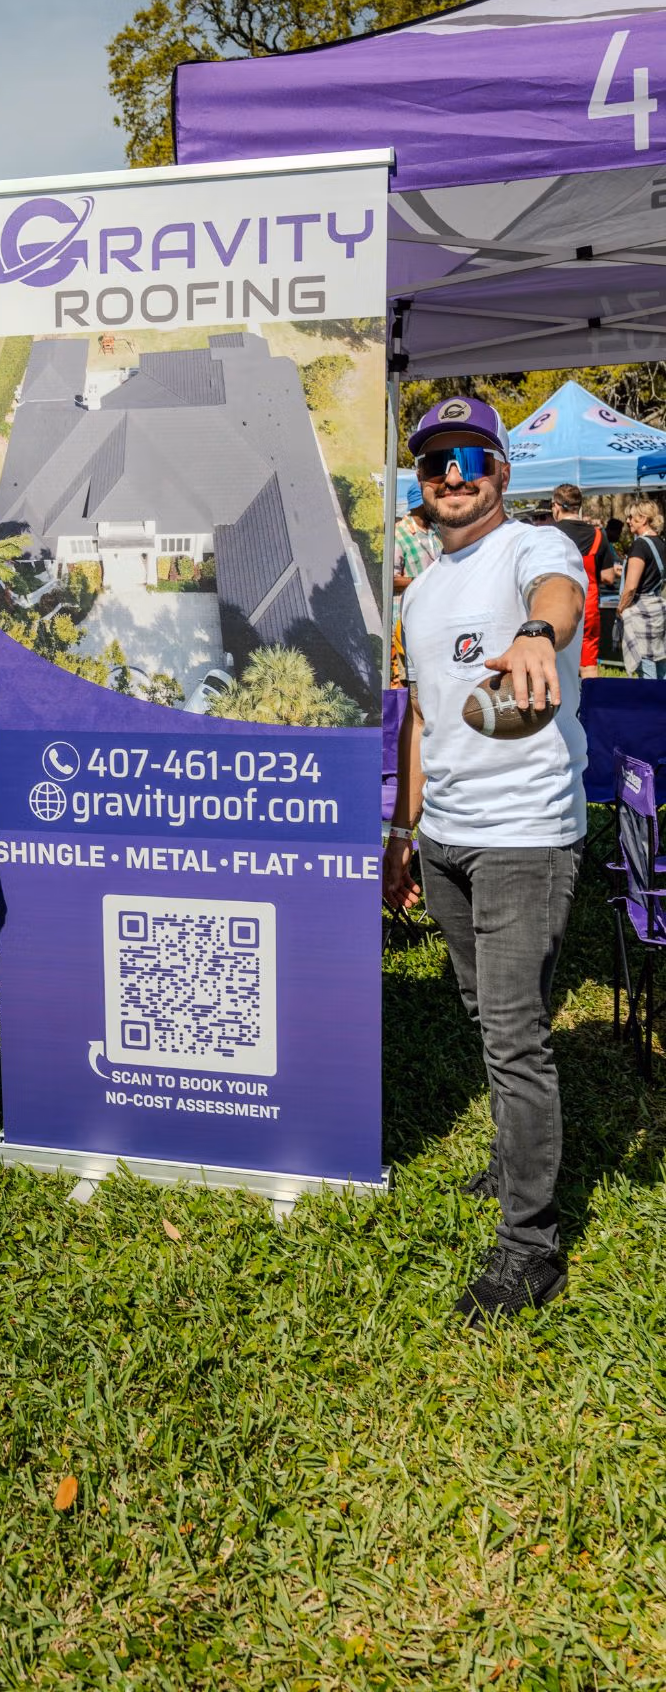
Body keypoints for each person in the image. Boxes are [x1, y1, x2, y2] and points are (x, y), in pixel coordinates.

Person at [382, 394, 587, 1327]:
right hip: (446, 838)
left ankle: (530, 1246)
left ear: (503, 471)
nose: (453, 477)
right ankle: (513, 1161)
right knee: (481, 1010)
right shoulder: (421, 591)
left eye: (471, 459)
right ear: (421, 484)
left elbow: (561, 597)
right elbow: (423, 719)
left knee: (512, 1034)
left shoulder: (531, 549)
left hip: (524, 835)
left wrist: (538, 635)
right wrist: (404, 834)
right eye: (436, 463)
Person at [548, 482, 619, 678]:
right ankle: (590, 698)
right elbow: (608, 577)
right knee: (588, 664)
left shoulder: (548, 534)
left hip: (555, 604)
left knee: (555, 659)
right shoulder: (598, 535)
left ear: (556, 506)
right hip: (588, 605)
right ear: (578, 506)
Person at [390, 482, 441, 685]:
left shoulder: (436, 531)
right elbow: (390, 579)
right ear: (420, 504)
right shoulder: (398, 533)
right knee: (409, 681)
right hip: (407, 621)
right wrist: (422, 580)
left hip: (435, 617)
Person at [616, 499, 666, 679]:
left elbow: (631, 587)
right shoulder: (660, 543)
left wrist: (620, 609)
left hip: (641, 613)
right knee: (660, 662)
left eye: (631, 517)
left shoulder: (640, 545)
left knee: (645, 665)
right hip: (657, 607)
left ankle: (650, 697)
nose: (628, 521)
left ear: (643, 519)